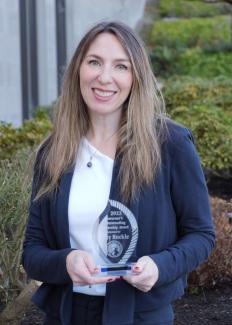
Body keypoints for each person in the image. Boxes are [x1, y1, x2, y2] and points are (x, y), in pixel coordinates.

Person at [22, 21, 215, 325]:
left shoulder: (170, 145)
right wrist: (65, 261)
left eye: (121, 66)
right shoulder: (54, 152)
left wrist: (160, 265)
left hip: (141, 316)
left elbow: (202, 235)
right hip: (65, 315)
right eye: (94, 62)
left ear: (136, 76)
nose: (105, 77)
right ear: (78, 70)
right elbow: (32, 251)